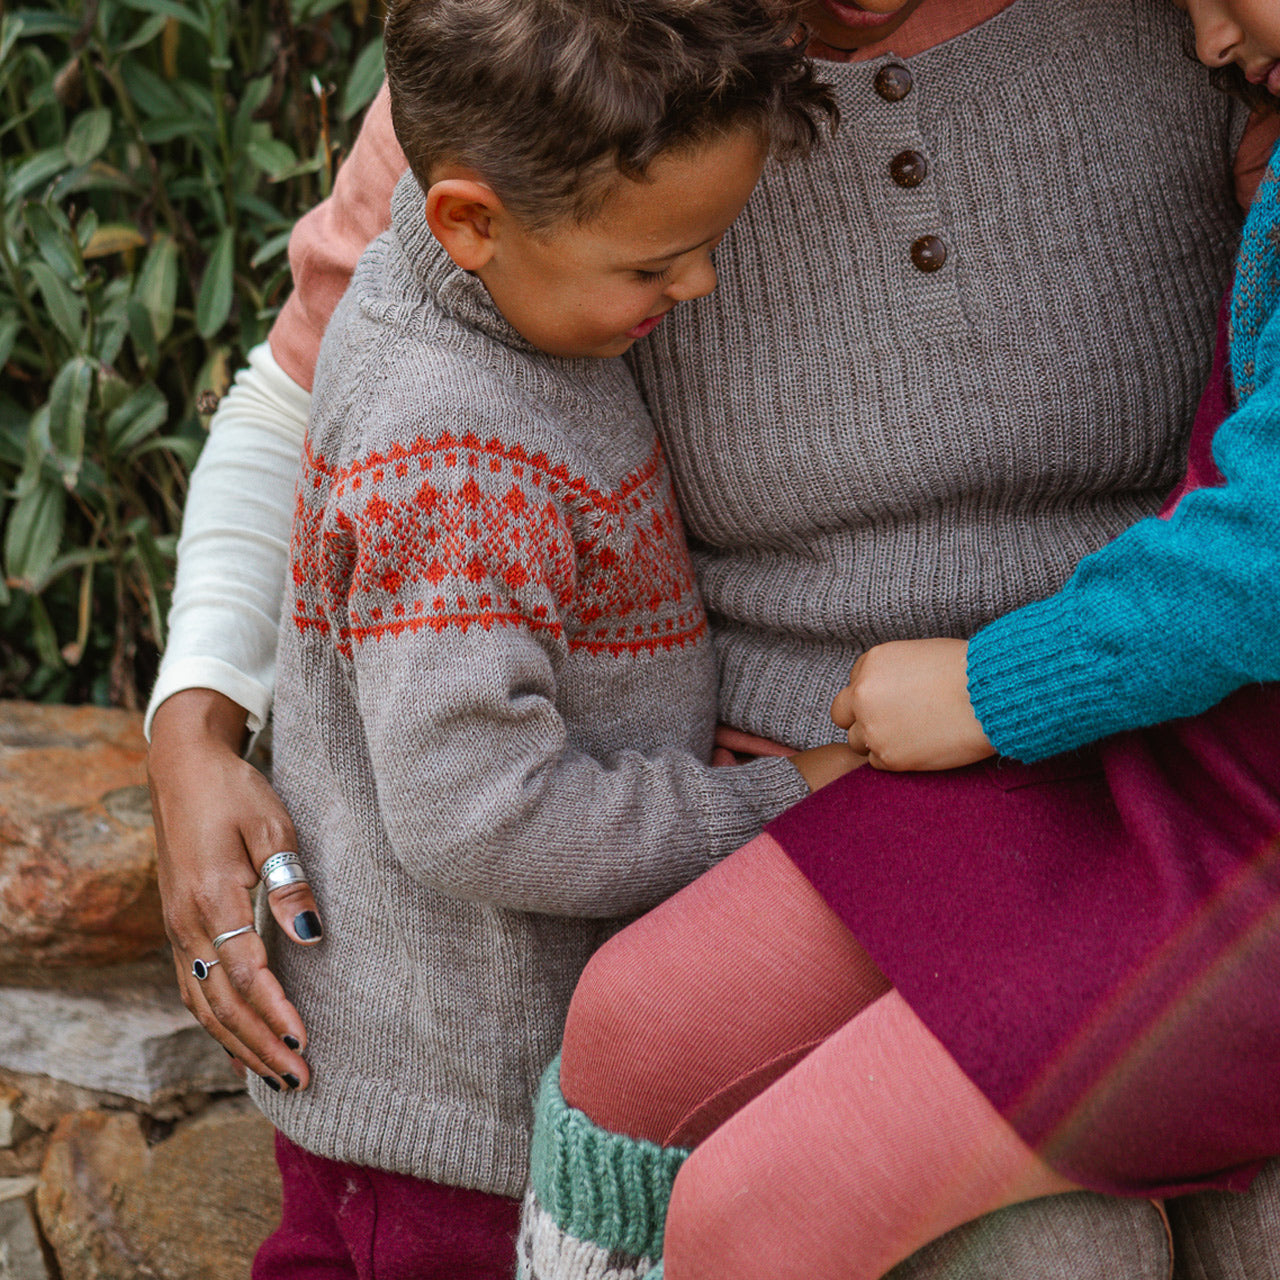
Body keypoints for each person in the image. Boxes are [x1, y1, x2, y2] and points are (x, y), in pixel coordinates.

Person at [144, 0, 1280, 1276]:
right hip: (792, 799)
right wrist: (192, 720)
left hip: (1179, 742)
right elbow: (307, 404)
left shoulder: (1203, 22)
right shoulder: (573, 65)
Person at [515, 2, 1280, 1277]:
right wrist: (201, 705)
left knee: (753, 1215)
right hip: (1174, 732)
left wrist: (991, 681)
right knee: (637, 1020)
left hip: (1198, 783)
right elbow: (363, 327)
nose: (1198, 37)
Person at [211, 1, 843, 1274]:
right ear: (470, 219)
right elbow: (476, 814)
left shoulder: (454, 294)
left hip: (402, 1066)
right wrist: (766, 806)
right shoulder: (460, 452)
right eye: (653, 263)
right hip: (463, 1109)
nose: (698, 283)